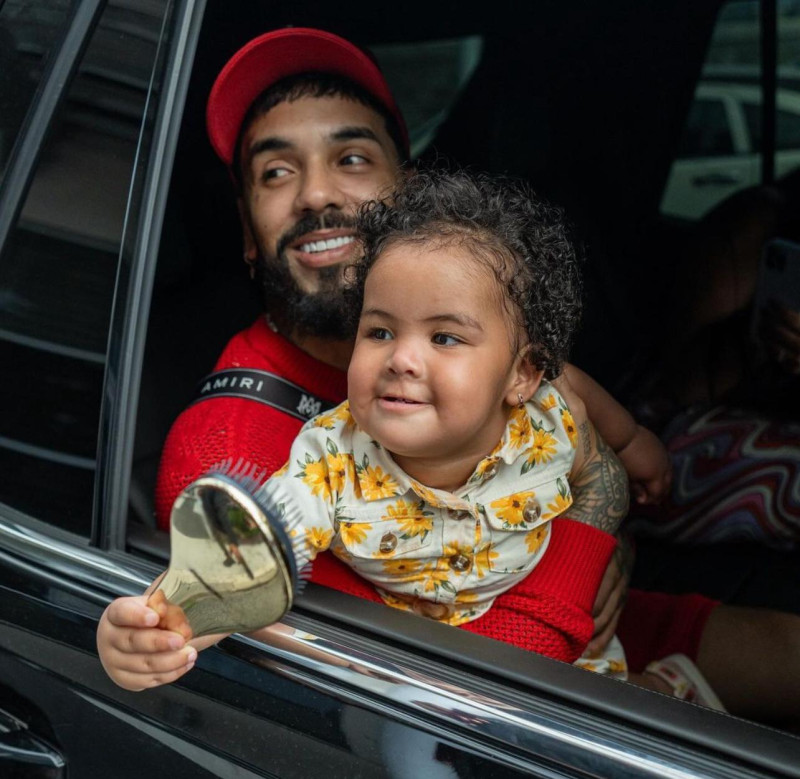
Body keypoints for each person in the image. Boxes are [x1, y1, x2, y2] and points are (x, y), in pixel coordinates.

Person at [103, 28, 800, 726]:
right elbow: (463, 686)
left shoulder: (487, 342)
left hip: (572, 592)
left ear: (408, 195)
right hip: (524, 666)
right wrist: (595, 514)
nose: (316, 193)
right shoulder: (233, 454)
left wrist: (609, 517)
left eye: (350, 157)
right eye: (276, 172)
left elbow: (570, 401)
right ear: (249, 233)